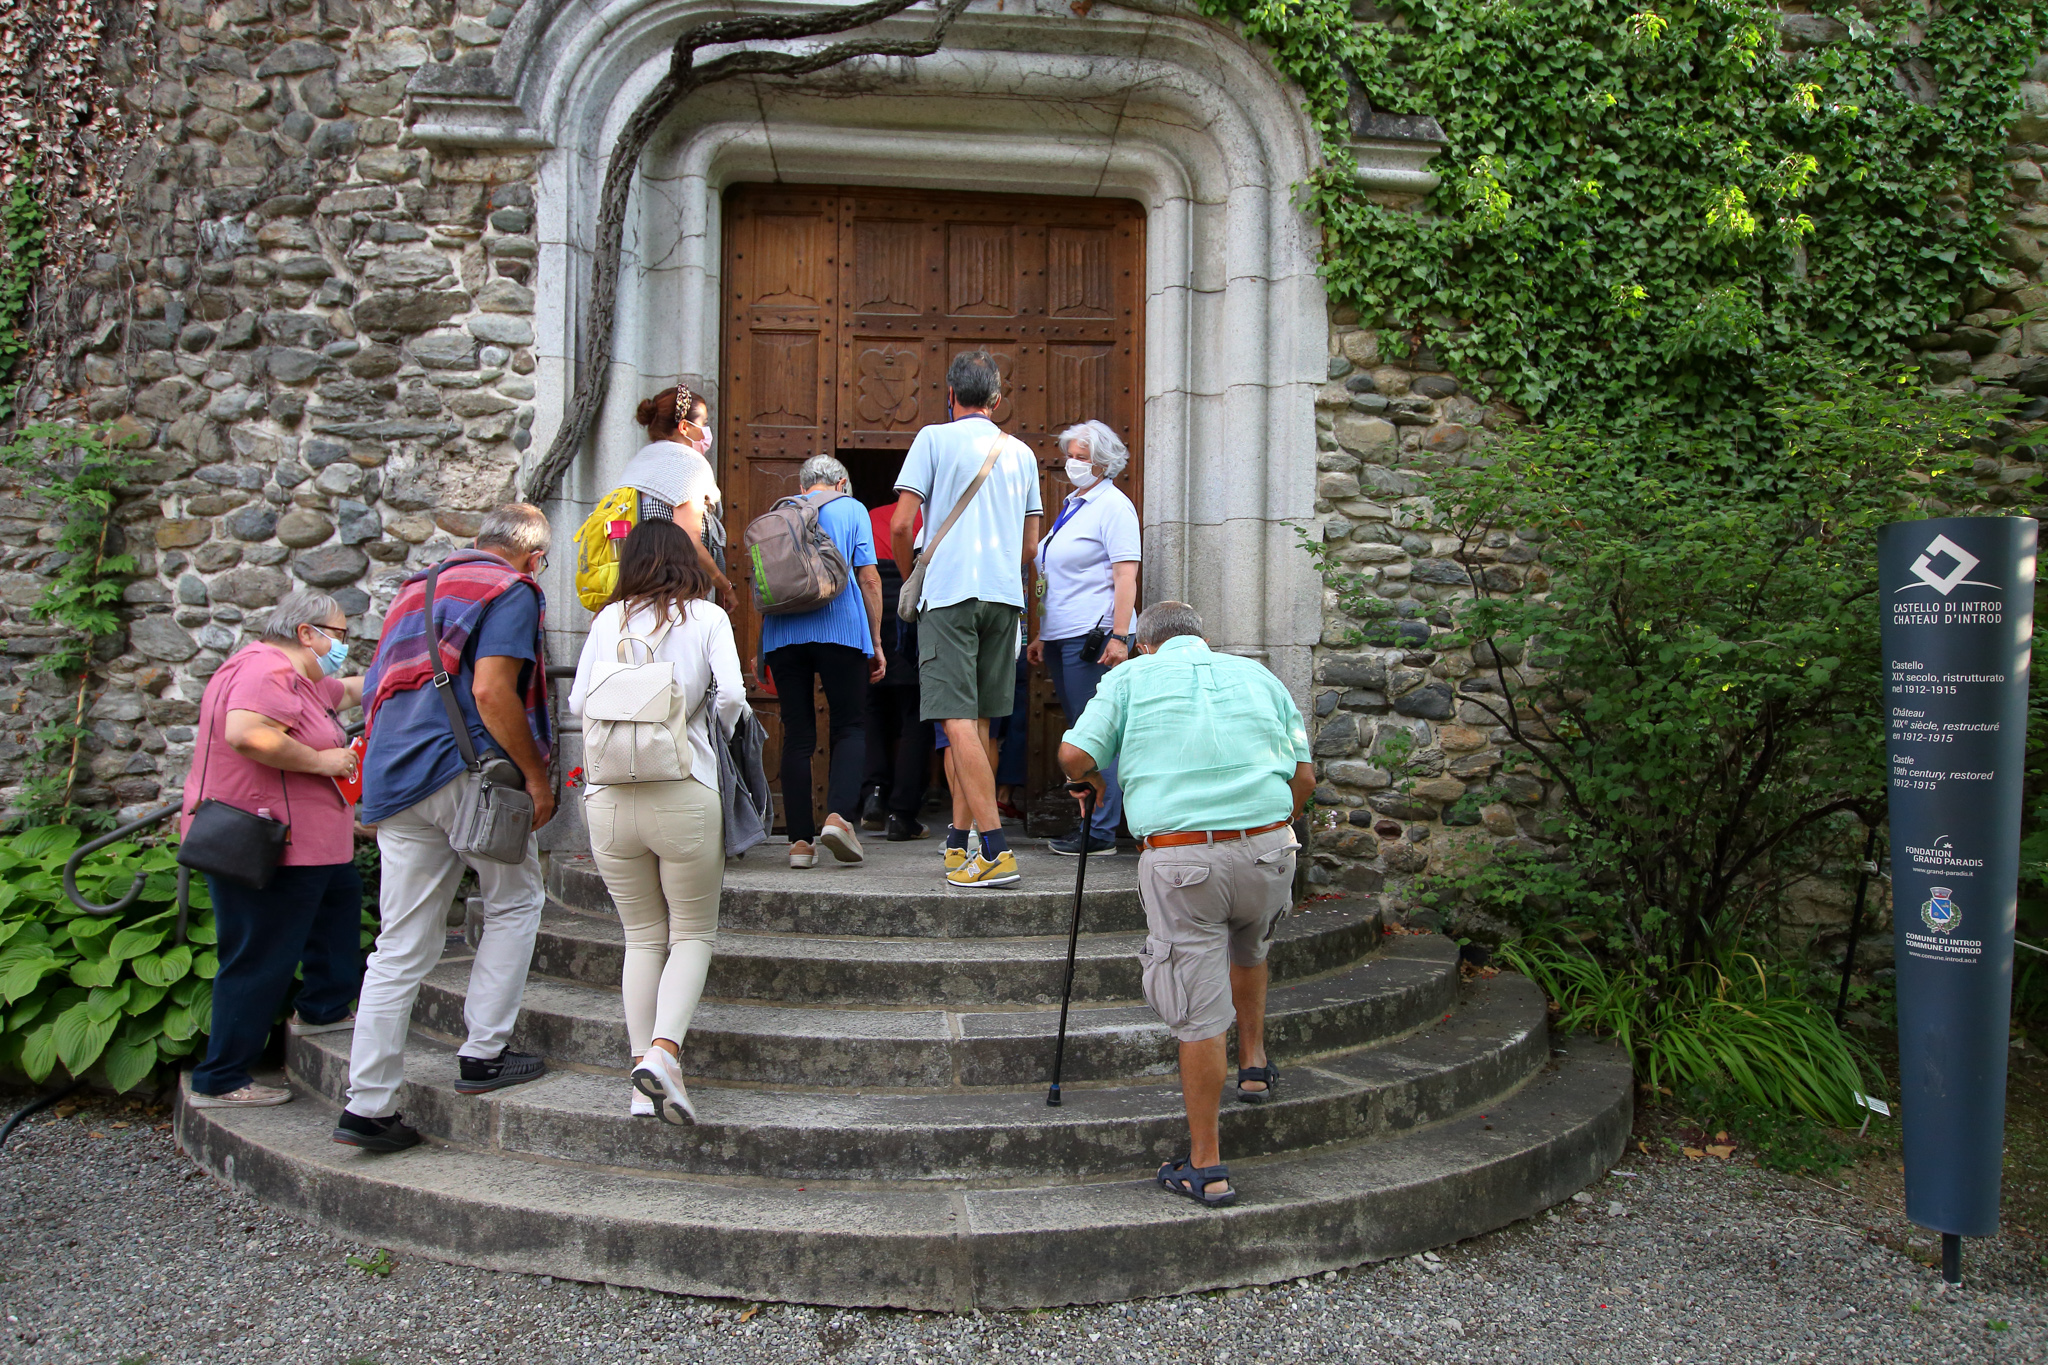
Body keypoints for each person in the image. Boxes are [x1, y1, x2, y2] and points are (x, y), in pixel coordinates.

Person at [1058, 602, 1313, 1208]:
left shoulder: (1129, 676)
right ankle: (1254, 1064)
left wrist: (1091, 780)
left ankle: (1207, 1167)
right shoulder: (1258, 675)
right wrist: (1272, 828)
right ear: (1202, 638)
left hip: (1183, 860)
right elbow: (1303, 777)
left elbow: (1074, 756)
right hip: (1270, 850)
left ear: (1145, 645)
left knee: (1198, 1012)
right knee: (1250, 948)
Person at [336, 504, 558, 1153]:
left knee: (400, 944)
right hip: (467, 772)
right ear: (533, 557)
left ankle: (368, 1105)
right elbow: (491, 691)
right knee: (515, 900)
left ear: (477, 541)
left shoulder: (415, 589)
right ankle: (484, 1054)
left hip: (394, 776)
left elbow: (378, 685)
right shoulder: (512, 588)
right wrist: (537, 777)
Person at [570, 519, 750, 1124]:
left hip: (609, 795)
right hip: (683, 788)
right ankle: (664, 1054)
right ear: (686, 562)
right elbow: (732, 697)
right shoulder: (707, 618)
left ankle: (638, 1081)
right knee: (692, 933)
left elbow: (578, 703)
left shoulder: (607, 620)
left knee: (642, 936)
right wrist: (707, 733)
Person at [179, 590, 366, 1109]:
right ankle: (222, 1077)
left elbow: (350, 690)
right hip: (270, 845)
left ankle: (324, 1008)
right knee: (259, 956)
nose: (343, 644)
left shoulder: (297, 676)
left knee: (338, 907)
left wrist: (410, 667)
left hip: (310, 845)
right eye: (340, 634)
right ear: (307, 633)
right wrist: (324, 761)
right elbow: (248, 735)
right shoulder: (267, 671)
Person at [890, 351, 1043, 887]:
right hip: (1004, 599)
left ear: (950, 394)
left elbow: (902, 524)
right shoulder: (1022, 452)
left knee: (955, 720)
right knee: (978, 726)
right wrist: (998, 570)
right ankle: (959, 843)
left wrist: (914, 575)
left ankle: (996, 851)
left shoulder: (933, 438)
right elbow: (1031, 545)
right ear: (997, 400)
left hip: (950, 594)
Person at [760, 455, 885, 869]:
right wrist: (876, 641)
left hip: (783, 634)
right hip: (841, 630)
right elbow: (869, 578)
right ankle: (838, 818)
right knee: (849, 726)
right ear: (841, 482)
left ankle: (799, 843)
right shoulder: (852, 509)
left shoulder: (782, 512)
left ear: (803, 486)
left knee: (797, 735)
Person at [1029, 419, 1141, 856]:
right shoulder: (1074, 504)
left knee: (1096, 733)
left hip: (1093, 636)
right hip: (1063, 635)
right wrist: (1042, 634)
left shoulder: (1113, 506)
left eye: (1082, 458)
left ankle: (1100, 831)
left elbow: (1125, 575)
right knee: (1084, 728)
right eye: (1070, 456)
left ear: (1104, 463)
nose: (1072, 464)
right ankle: (1094, 823)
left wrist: (1119, 636)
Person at [621, 382, 736, 609]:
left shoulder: (638, 463)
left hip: (635, 590)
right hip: (675, 594)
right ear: (684, 427)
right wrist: (726, 587)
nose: (706, 431)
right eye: (703, 423)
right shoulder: (688, 464)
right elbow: (690, 540)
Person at [858, 500, 930, 841]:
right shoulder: (929, 517)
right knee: (916, 716)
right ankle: (902, 814)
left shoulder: (872, 516)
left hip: (872, 610)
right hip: (911, 609)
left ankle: (873, 794)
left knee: (872, 712)